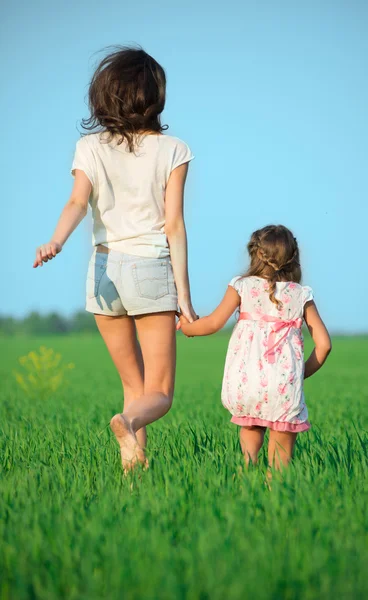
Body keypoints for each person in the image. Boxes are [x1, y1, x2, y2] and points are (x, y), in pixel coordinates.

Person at [33, 46, 197, 471]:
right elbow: (174, 226)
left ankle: (133, 473)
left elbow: (76, 203)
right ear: (154, 95)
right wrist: (185, 297)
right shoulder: (173, 150)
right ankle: (126, 423)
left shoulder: (88, 147)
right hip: (149, 269)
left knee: (133, 386)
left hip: (103, 272)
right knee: (158, 393)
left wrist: (56, 241)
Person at [179, 225, 331, 476]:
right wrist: (299, 375)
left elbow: (214, 323)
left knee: (251, 425)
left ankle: (247, 472)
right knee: (281, 451)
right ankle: (274, 489)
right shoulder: (301, 295)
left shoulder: (242, 286)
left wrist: (188, 328)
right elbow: (324, 345)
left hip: (246, 383)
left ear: (256, 255)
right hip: (283, 386)